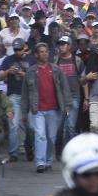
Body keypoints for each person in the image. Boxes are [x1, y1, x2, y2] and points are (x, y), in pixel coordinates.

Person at [22, 43, 70, 173]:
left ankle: (48, 160)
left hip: (54, 109)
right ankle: (40, 162)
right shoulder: (31, 71)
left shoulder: (56, 69)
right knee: (40, 135)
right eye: (41, 52)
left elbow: (64, 88)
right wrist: (24, 113)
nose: (44, 54)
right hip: (37, 110)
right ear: (36, 54)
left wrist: (67, 105)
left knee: (51, 137)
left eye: (46, 51)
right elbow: (25, 94)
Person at [0, 38, 33, 161]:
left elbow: (37, 78)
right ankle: (13, 153)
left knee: (31, 126)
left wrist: (25, 74)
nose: (18, 51)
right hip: (14, 94)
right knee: (13, 124)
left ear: (25, 47)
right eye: (15, 49)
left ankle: (30, 148)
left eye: (19, 49)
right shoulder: (9, 59)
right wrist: (8, 71)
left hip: (29, 96)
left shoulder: (31, 59)